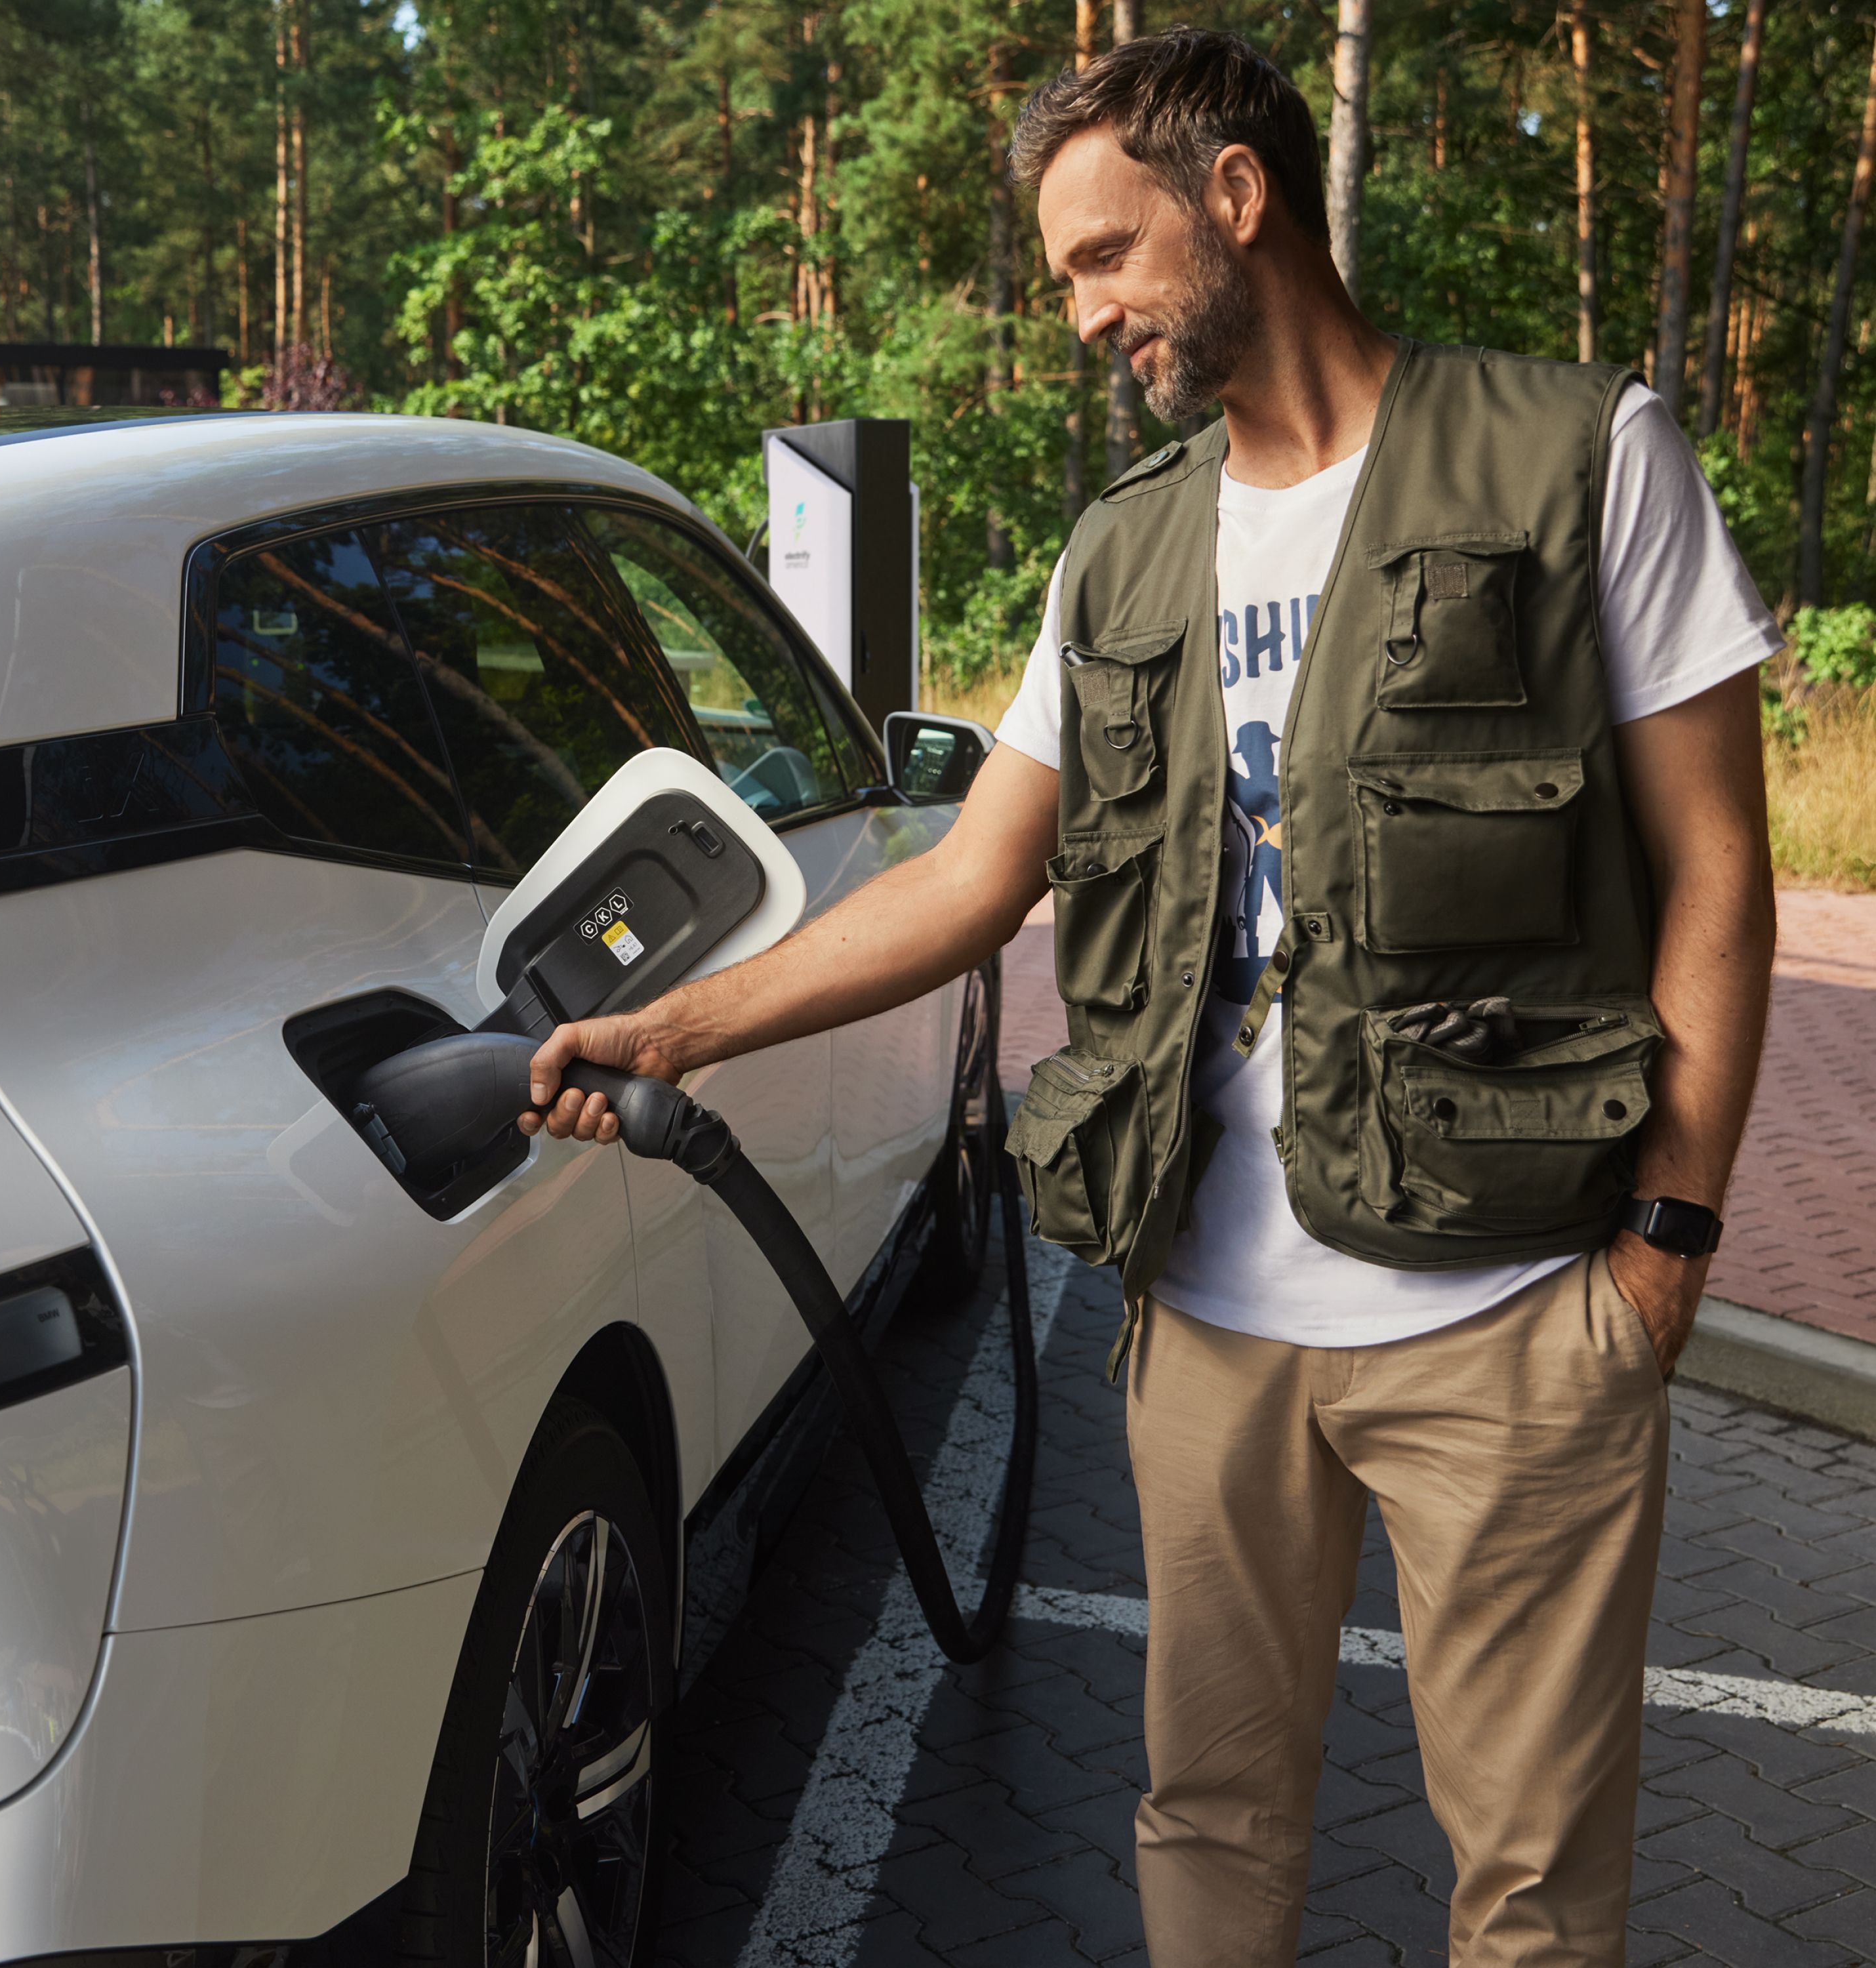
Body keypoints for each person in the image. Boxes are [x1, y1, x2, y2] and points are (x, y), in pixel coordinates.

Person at [522, 27, 1778, 1966]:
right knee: (1203, 1821)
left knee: (1531, 1885)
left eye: (1106, 257)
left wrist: (1669, 1246)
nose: (1085, 313)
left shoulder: (1580, 455)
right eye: (1067, 280)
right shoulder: (1118, 553)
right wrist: (670, 1031)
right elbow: (965, 882)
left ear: (1238, 199)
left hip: (1517, 1307)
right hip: (1205, 1323)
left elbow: (1720, 877)